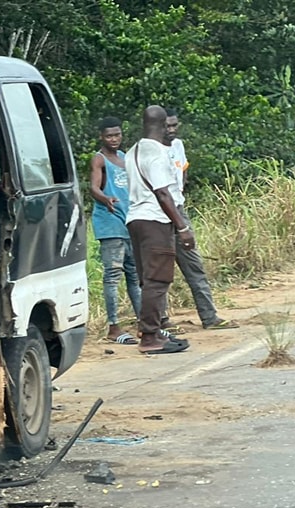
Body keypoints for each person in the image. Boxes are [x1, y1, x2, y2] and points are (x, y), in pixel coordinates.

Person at [160, 109, 238, 330]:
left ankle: (209, 316)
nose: (172, 130)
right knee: (161, 271)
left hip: (178, 207)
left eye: (175, 125)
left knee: (194, 265)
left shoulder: (178, 146)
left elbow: (183, 171)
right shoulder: (151, 150)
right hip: (158, 214)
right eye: (167, 126)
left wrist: (180, 193)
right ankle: (162, 321)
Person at [124, 105, 192, 354]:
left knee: (147, 280)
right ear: (163, 126)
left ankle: (150, 331)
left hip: (135, 219)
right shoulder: (157, 154)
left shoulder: (132, 151)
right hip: (155, 220)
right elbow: (163, 194)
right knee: (158, 280)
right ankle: (150, 337)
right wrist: (182, 227)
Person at [89, 117, 142, 344]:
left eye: (117, 135)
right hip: (110, 225)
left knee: (135, 275)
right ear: (102, 136)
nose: (113, 139)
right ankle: (113, 326)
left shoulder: (124, 158)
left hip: (128, 222)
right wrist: (104, 198)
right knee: (112, 277)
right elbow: (93, 187)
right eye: (109, 136)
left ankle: (144, 323)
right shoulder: (99, 160)